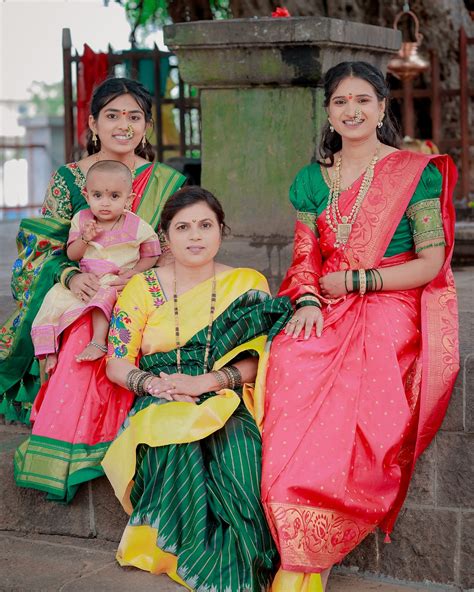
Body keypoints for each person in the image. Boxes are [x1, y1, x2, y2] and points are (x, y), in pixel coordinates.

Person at [260, 61, 458, 592]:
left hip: (390, 297)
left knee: (363, 374)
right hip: (326, 298)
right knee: (290, 357)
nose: (352, 110)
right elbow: (304, 257)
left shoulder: (414, 173)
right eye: (341, 101)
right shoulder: (312, 180)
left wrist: (359, 281)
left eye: (363, 100)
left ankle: (322, 534)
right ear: (328, 113)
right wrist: (306, 300)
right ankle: (294, 522)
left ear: (382, 107)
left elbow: (430, 262)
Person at [101, 186, 290, 591]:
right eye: (183, 227)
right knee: (176, 439)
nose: (195, 236)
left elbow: (260, 359)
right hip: (161, 395)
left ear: (221, 230)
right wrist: (157, 385)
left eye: (205, 225)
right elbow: (116, 362)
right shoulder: (143, 287)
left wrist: (207, 382)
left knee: (241, 455)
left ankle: (244, 563)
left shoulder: (247, 283)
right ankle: (192, 556)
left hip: (224, 394)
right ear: (166, 237)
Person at [12, 78, 186, 502]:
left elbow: (177, 248)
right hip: (83, 291)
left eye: (134, 117)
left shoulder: (167, 182)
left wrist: (143, 277)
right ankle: (71, 450)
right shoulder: (69, 180)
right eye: (112, 115)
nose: (124, 125)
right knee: (83, 340)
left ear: (147, 126)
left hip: (147, 290)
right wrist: (70, 277)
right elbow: (39, 252)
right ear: (92, 123)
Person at [31, 160, 160, 371]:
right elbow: (72, 254)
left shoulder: (137, 225)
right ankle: (49, 351)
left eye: (114, 196)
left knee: (105, 293)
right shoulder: (82, 220)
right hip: (87, 277)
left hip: (115, 279)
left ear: (129, 199)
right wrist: (84, 238)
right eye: (97, 195)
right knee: (53, 299)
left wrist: (136, 271)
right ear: (86, 196)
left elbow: (152, 254)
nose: (105, 203)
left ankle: (98, 342)